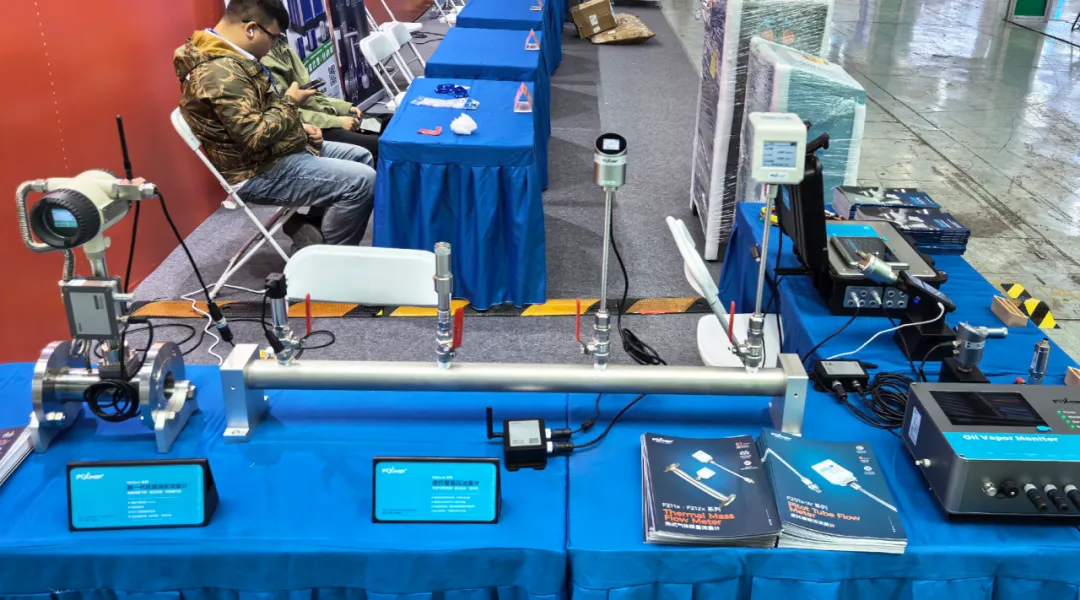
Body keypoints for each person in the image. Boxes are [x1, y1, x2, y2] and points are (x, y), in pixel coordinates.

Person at [173, 0, 376, 247]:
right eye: (273, 38)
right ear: (251, 29)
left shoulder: (233, 58)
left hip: (275, 154)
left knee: (362, 157)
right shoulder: (219, 73)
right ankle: (330, 260)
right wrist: (291, 102)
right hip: (257, 172)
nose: (274, 46)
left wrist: (299, 128)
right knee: (362, 181)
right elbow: (254, 137)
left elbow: (258, 114)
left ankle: (314, 230)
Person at [262, 36, 381, 163]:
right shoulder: (262, 62)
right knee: (378, 144)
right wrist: (338, 121)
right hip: (316, 127)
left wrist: (344, 107)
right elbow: (288, 113)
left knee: (383, 124)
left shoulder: (280, 43)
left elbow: (311, 93)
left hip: (326, 116)